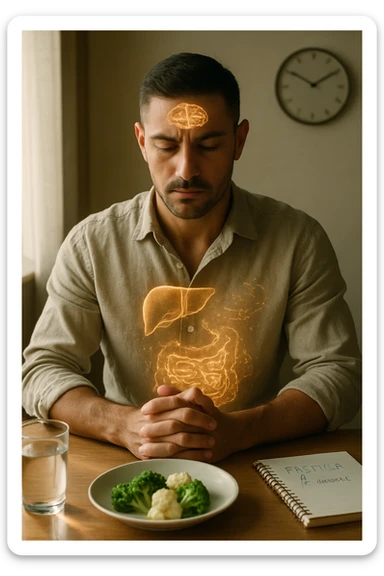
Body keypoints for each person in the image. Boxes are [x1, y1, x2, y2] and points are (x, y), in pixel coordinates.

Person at [22, 52, 361, 463]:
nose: (186, 169)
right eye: (166, 145)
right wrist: (125, 425)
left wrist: (241, 430)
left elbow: (338, 373)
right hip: (123, 463)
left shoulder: (298, 240)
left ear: (239, 141)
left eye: (209, 144)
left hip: (252, 460)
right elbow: (43, 369)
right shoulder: (92, 243)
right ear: (142, 142)